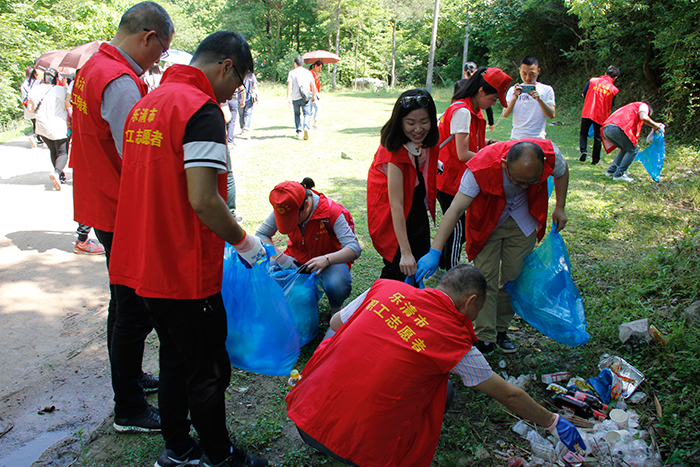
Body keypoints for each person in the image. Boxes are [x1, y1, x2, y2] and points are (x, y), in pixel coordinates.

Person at [108, 31, 269, 467]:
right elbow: (202, 198)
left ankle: (177, 449)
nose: (233, 95)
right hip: (181, 268)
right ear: (226, 67)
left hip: (142, 262)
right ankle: (219, 456)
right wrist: (245, 242)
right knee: (207, 371)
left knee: (176, 357)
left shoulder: (147, 103)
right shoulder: (200, 109)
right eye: (236, 87)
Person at [286, 265, 587, 467]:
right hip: (359, 451)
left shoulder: (384, 289)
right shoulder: (453, 339)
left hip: (306, 420)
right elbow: (507, 394)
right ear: (470, 303)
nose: (471, 320)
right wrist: (552, 421)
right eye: (476, 312)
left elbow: (338, 322)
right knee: (445, 392)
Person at [70, 1, 173, 433]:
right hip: (120, 206)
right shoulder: (119, 80)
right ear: (147, 38)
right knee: (135, 308)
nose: (159, 61)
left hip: (101, 200)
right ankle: (128, 408)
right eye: (161, 51)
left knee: (123, 301)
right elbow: (137, 152)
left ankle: (130, 379)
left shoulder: (93, 65)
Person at [416, 140, 569, 355]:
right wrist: (435, 251)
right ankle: (484, 336)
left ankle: (500, 329)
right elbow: (455, 210)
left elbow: (562, 172)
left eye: (530, 182)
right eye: (518, 181)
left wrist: (560, 206)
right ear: (505, 164)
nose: (524, 187)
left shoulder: (550, 153)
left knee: (514, 278)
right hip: (487, 221)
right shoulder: (480, 168)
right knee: (484, 278)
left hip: (523, 219)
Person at [437, 67, 511, 273]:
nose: (494, 104)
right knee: (457, 228)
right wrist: (495, 160)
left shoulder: (471, 110)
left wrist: (486, 144)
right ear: (481, 92)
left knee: (457, 227)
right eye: (494, 99)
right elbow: (462, 153)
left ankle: (441, 264)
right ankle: (451, 273)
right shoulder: (462, 111)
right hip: (451, 179)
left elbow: (466, 143)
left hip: (458, 178)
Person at [256, 178, 361, 313]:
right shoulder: (286, 207)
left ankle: (336, 310)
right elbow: (262, 234)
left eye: (293, 219)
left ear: (306, 205)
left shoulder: (330, 211)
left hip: (330, 261)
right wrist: (280, 258)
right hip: (296, 258)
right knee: (264, 272)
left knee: (337, 284)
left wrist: (326, 259)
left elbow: (354, 248)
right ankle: (293, 304)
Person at [366, 89, 440, 283]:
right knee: (398, 269)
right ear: (399, 122)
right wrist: (405, 252)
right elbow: (396, 205)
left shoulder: (426, 143)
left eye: (424, 121)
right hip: (392, 216)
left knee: (419, 262)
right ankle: (369, 310)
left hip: (414, 208)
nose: (418, 129)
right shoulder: (393, 152)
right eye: (410, 123)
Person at [27, 68, 71, 190]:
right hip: (58, 125)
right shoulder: (61, 90)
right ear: (56, 78)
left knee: (53, 151)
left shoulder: (35, 90)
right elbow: (68, 105)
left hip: (42, 126)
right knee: (62, 152)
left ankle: (60, 175)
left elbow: (30, 110)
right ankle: (56, 172)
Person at [602, 102, 663, 182]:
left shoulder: (631, 107)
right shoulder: (643, 106)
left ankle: (611, 171)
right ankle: (619, 175)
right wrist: (655, 125)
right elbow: (643, 117)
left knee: (625, 149)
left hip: (607, 129)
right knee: (633, 150)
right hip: (616, 128)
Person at [503, 56, 556, 140]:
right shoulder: (513, 90)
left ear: (538, 71)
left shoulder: (546, 89)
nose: (528, 78)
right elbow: (505, 114)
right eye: (524, 73)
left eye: (532, 74)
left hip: (538, 138)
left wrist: (539, 100)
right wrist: (514, 98)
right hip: (516, 138)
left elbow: (551, 115)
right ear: (519, 70)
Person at [579, 66, 620, 165]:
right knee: (598, 138)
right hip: (601, 115)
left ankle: (583, 151)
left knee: (583, 133)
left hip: (587, 111)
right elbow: (612, 104)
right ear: (615, 78)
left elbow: (583, 94)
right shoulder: (614, 90)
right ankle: (595, 161)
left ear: (605, 73)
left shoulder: (593, 80)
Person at [454, 61, 495, 131]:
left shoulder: (459, 83)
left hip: (464, 115)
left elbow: (455, 102)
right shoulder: (479, 85)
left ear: (464, 72)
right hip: (476, 114)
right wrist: (491, 122)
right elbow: (488, 104)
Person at [286, 55, 315, 140]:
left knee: (297, 114)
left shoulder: (291, 73)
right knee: (307, 113)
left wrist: (288, 97)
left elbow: (289, 85)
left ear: (295, 63)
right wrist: (313, 95)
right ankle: (306, 126)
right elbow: (313, 85)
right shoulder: (308, 72)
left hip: (295, 97)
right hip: (305, 97)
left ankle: (299, 131)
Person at [21, 67, 43, 148]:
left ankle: (38, 138)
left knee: (34, 123)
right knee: (39, 123)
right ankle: (35, 137)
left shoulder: (24, 84)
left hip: (27, 106)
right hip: (35, 105)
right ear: (34, 74)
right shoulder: (37, 82)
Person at [237, 71, 257, 139]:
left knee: (243, 114)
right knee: (246, 114)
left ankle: (244, 129)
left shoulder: (239, 74)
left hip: (241, 97)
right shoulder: (251, 75)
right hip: (247, 97)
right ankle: (244, 129)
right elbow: (255, 86)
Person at [309, 60, 322, 128]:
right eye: (319, 67)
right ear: (315, 66)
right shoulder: (310, 73)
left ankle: (307, 123)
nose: (320, 69)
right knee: (318, 108)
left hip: (314, 93)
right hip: (311, 92)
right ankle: (315, 124)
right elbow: (311, 83)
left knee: (310, 110)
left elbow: (317, 85)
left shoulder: (314, 73)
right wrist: (316, 77)